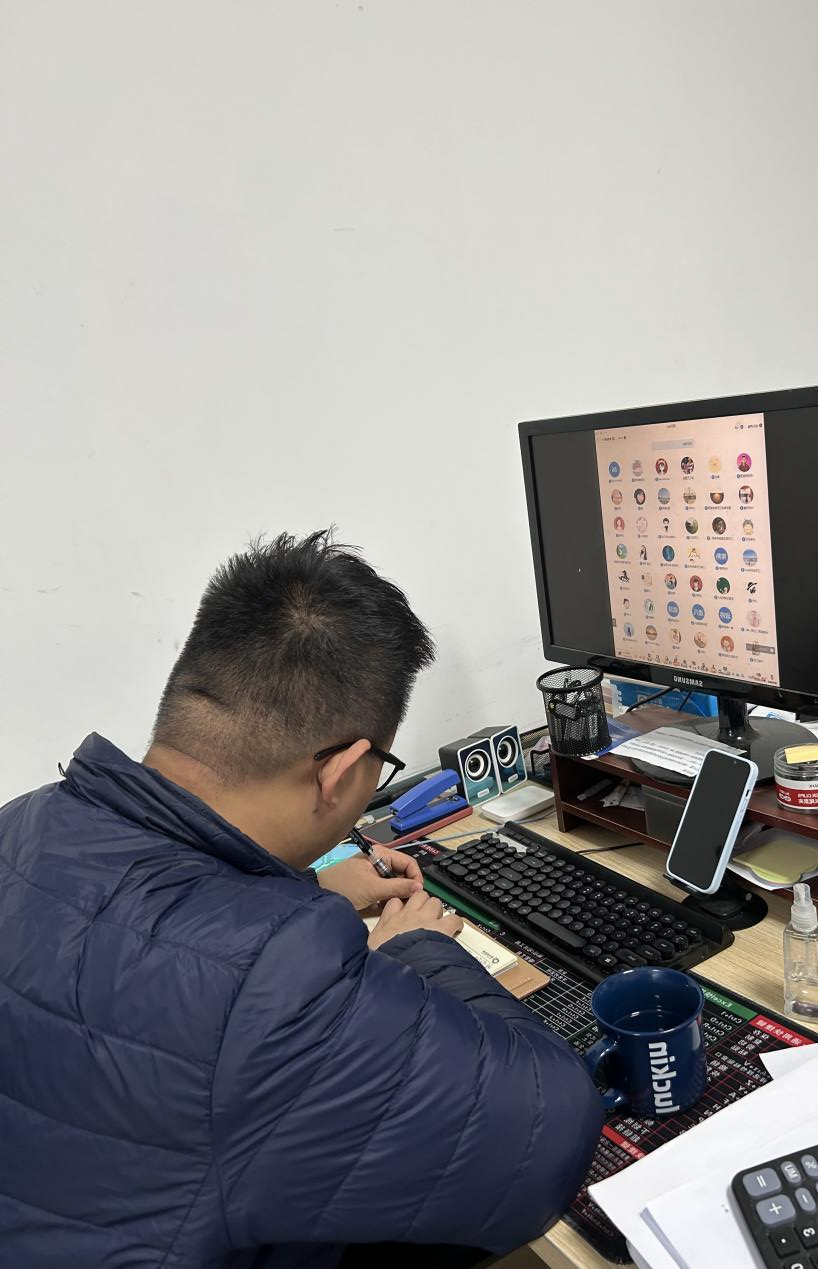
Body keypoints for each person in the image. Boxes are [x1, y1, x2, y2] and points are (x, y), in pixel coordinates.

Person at [0, 531, 603, 1269]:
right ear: (341, 770)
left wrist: (306, 888)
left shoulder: (23, 823)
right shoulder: (272, 982)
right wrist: (417, 951)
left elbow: (137, 935)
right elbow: (548, 1135)